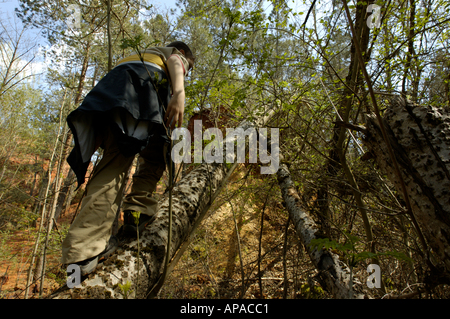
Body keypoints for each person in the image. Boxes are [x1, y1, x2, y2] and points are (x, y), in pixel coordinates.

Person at [61, 41, 195, 276]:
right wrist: (179, 93)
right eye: (189, 68)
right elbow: (176, 62)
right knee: (119, 164)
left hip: (113, 91)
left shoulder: (144, 53)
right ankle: (83, 254)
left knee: (151, 152)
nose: (186, 72)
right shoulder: (172, 56)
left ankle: (136, 215)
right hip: (139, 88)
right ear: (183, 53)